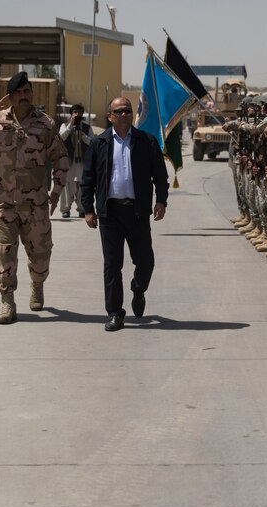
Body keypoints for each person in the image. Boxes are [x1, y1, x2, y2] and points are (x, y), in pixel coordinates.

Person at [0, 71, 69, 324]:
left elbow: (61, 157)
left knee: (40, 254)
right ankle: (7, 301)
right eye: (18, 93)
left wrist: (56, 191)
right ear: (9, 96)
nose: (23, 97)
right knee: (4, 252)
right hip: (3, 201)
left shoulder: (45, 124)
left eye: (27, 92)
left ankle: (37, 283)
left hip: (36, 203)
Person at [81, 96, 169, 332]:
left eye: (127, 111)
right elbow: (88, 179)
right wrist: (87, 209)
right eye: (118, 111)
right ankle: (114, 313)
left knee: (145, 261)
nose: (124, 115)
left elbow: (160, 175)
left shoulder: (146, 142)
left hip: (138, 212)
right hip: (110, 213)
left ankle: (138, 289)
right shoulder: (99, 144)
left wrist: (161, 200)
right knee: (112, 264)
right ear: (109, 116)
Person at [58, 103, 92, 218]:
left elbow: (92, 143)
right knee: (67, 185)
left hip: (82, 161)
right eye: (75, 112)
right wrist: (70, 126)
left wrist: (84, 136)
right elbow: (61, 137)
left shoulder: (87, 128)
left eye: (80, 112)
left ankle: (82, 208)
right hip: (69, 161)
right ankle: (65, 209)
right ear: (71, 114)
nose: (77, 114)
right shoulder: (64, 125)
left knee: (82, 185)